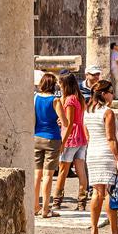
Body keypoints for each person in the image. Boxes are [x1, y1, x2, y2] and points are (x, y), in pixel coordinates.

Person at [84, 80, 118, 234]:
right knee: (109, 192)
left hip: (93, 152)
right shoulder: (108, 112)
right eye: (110, 91)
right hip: (106, 152)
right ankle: (114, 232)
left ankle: (94, 230)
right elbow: (111, 138)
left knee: (96, 193)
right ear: (103, 94)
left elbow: (87, 135)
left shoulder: (87, 111)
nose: (113, 94)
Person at [51, 72, 89, 212]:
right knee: (81, 171)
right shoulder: (79, 98)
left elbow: (69, 123)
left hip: (71, 137)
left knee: (63, 171)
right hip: (81, 137)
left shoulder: (70, 100)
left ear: (64, 84)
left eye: (60, 83)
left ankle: (56, 201)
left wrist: (63, 142)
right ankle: (81, 202)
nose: (58, 85)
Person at [33, 73, 63, 219]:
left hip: (36, 137)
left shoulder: (35, 98)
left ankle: (34, 206)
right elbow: (65, 121)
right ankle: (45, 209)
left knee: (36, 175)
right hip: (52, 138)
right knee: (48, 176)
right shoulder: (55, 100)